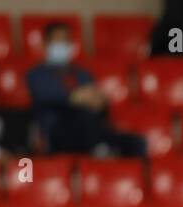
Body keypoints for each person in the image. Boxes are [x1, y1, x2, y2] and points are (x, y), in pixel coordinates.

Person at [26, 22, 146, 157]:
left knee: (136, 143)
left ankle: (105, 152)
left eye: (66, 40)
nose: (62, 45)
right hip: (57, 132)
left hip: (90, 126)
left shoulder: (83, 74)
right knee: (82, 117)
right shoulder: (37, 74)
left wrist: (101, 100)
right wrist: (74, 97)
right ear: (46, 44)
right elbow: (46, 95)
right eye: (58, 40)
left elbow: (94, 97)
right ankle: (100, 149)